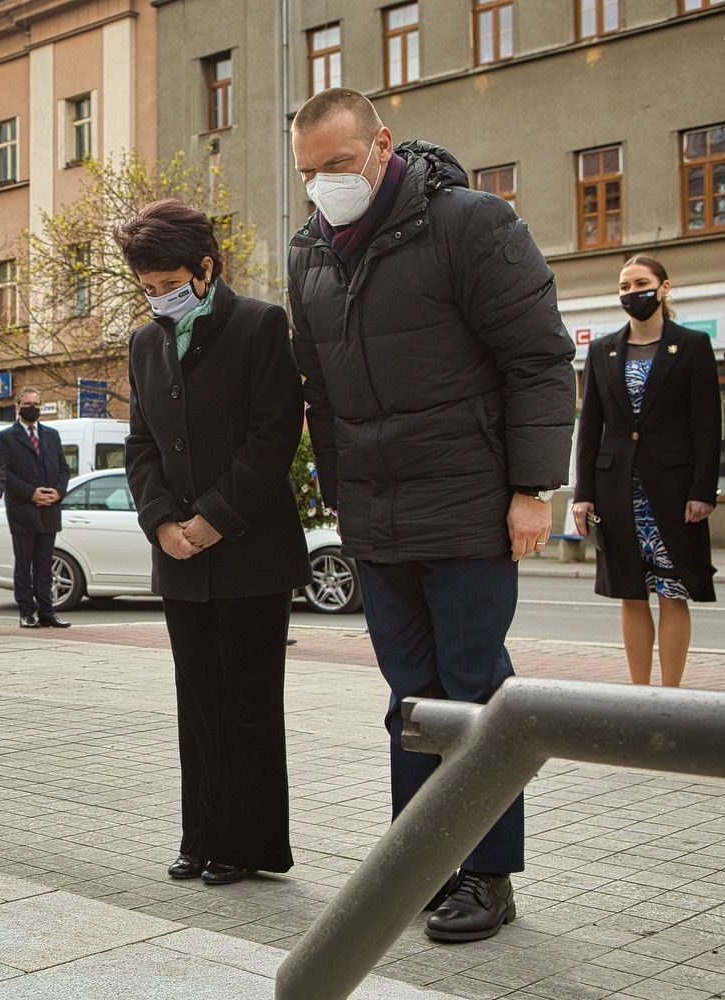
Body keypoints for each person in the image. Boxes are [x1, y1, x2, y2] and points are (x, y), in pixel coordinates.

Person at [288, 88, 576, 942]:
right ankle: (421, 863)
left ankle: (488, 875)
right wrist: (338, 489)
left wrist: (532, 489)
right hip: (376, 516)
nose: (325, 185)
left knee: (474, 690)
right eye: (310, 174)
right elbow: (322, 393)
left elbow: (537, 359)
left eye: (338, 165)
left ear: (382, 146)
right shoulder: (310, 253)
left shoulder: (471, 224)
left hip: (469, 504)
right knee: (410, 697)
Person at [114, 198, 310, 888]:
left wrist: (215, 518)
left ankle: (247, 844)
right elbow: (140, 446)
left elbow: (273, 435)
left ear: (205, 268)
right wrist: (163, 521)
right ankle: (199, 836)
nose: (160, 297)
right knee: (196, 700)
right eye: (148, 288)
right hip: (181, 558)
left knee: (249, 703)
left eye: (169, 283)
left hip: (249, 551)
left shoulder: (260, 325)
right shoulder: (144, 343)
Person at [573, 256, 719, 686]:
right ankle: (639, 697)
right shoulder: (602, 349)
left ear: (664, 288)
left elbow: (707, 425)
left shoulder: (691, 346)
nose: (631, 292)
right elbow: (591, 426)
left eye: (640, 283)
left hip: (675, 495)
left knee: (674, 593)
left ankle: (670, 697)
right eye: (624, 286)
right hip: (617, 491)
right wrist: (583, 493)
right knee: (630, 594)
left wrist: (703, 491)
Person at [0, 387, 71, 628]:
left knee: (44, 566)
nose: (33, 408)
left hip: (50, 509)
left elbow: (63, 468)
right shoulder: (6, 437)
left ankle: (47, 613)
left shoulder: (51, 435)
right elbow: (5, 472)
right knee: (24, 564)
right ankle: (26, 612)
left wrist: (58, 492)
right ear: (17, 406)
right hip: (23, 511)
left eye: (37, 404)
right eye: (28, 403)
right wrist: (31, 494)